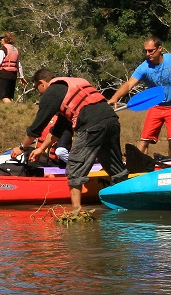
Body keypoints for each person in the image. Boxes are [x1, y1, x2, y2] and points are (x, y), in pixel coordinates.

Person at [12, 69, 128, 212]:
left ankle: (76, 211)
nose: (40, 93)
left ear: (42, 83)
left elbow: (36, 128)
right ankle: (125, 205)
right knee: (114, 165)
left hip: (90, 125)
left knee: (74, 167)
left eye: (37, 89)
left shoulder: (51, 92)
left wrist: (21, 148)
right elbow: (56, 130)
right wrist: (41, 149)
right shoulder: (68, 88)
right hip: (111, 120)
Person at [107, 37, 171, 157]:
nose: (148, 54)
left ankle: (170, 163)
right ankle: (138, 164)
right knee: (144, 139)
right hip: (155, 105)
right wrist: (115, 97)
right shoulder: (144, 67)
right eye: (146, 51)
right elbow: (129, 84)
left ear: (160, 49)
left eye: (151, 50)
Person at [0, 32, 28, 103]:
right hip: (13, 75)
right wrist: (22, 76)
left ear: (6, 39)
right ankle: (12, 111)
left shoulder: (4, 49)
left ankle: (13, 111)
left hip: (5, 74)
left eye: (2, 38)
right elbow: (18, 65)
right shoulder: (15, 49)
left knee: (3, 96)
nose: (0, 40)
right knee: (9, 96)